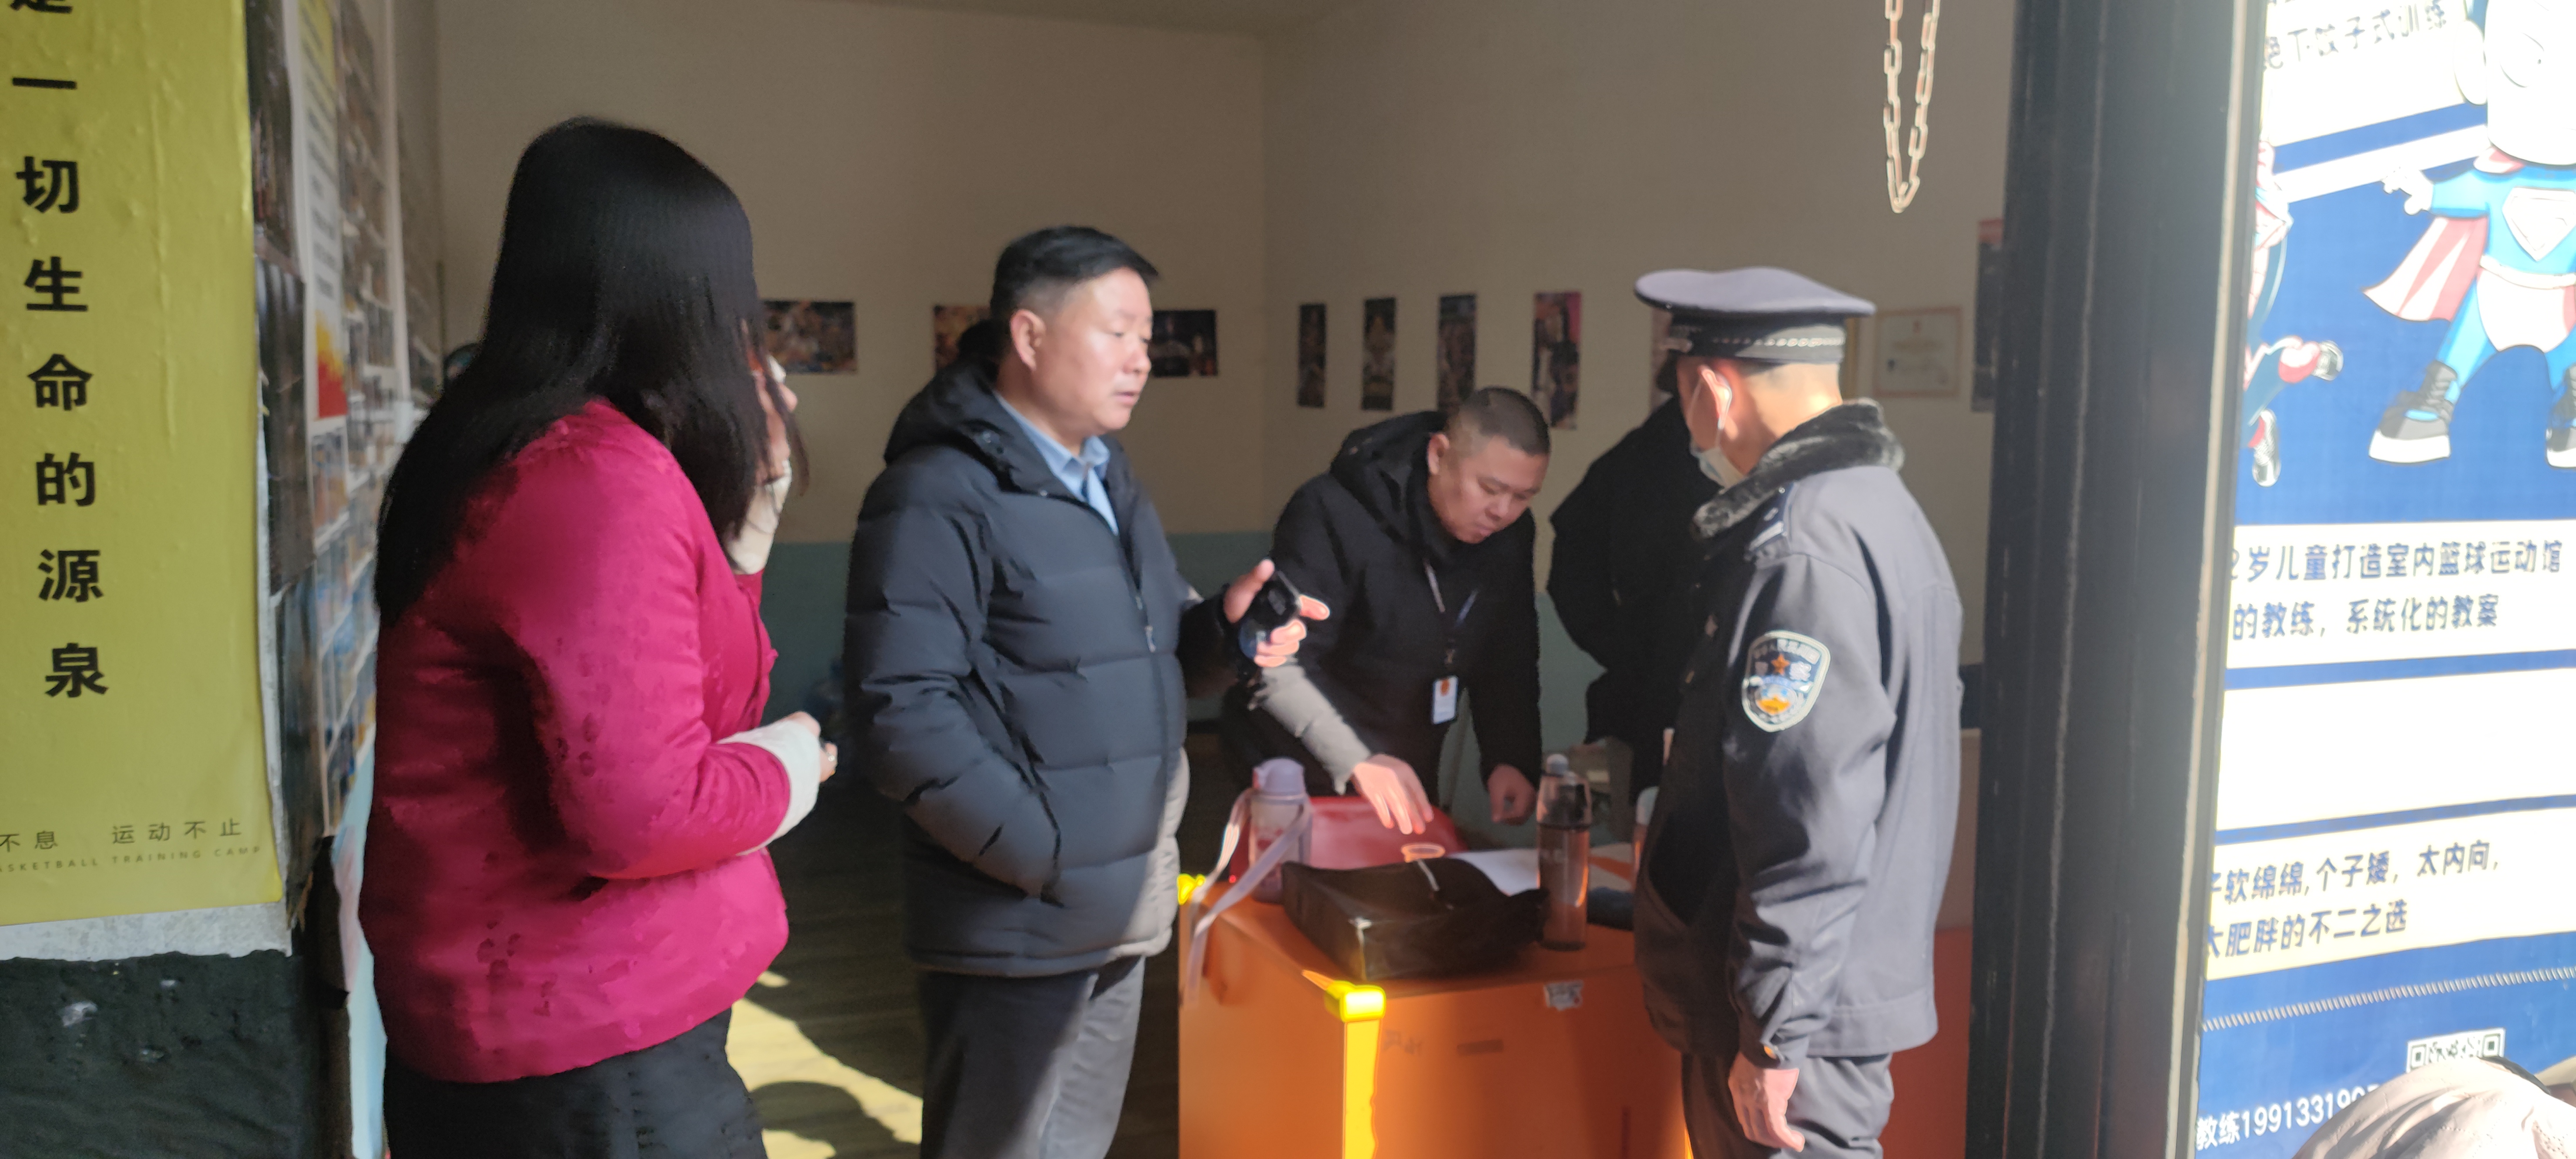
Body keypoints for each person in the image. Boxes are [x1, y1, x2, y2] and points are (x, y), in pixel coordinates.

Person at [366, 120, 829, 1158]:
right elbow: (644, 813)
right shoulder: (593, 479)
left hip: (559, 1030)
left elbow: (696, 710)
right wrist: (788, 773)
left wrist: (749, 531)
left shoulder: (514, 440)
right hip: (586, 1044)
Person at [842, 226, 1321, 1159]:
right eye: (1117, 333)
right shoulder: (937, 491)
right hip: (1015, 915)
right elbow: (899, 710)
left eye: (1148, 338)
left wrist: (1228, 632)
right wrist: (1046, 855)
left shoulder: (1106, 478)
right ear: (1028, 336)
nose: (1142, 360)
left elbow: (1149, 658)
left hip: (1117, 904)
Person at [1629, 267, 1962, 1159]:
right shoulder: (1884, 512)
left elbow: (1807, 812)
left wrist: (1774, 1028)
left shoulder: (1801, 548)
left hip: (1800, 1009)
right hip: (1833, 984)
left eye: (1683, 397)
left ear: (1711, 389)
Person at [1226, 385, 1550, 832]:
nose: (1502, 512)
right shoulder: (1333, 510)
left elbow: (1508, 652)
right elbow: (1274, 662)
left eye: (1524, 497)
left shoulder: (1509, 536)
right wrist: (1356, 759)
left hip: (1405, 765)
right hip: (1296, 766)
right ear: (1438, 454)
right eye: (1490, 489)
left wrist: (1509, 757)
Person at [1548, 352, 1720, 825]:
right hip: (1658, 693)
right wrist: (1624, 646)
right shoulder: (1647, 456)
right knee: (1651, 843)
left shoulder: (1650, 451)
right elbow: (1574, 555)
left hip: (1659, 689)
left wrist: (1620, 648)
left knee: (1647, 845)